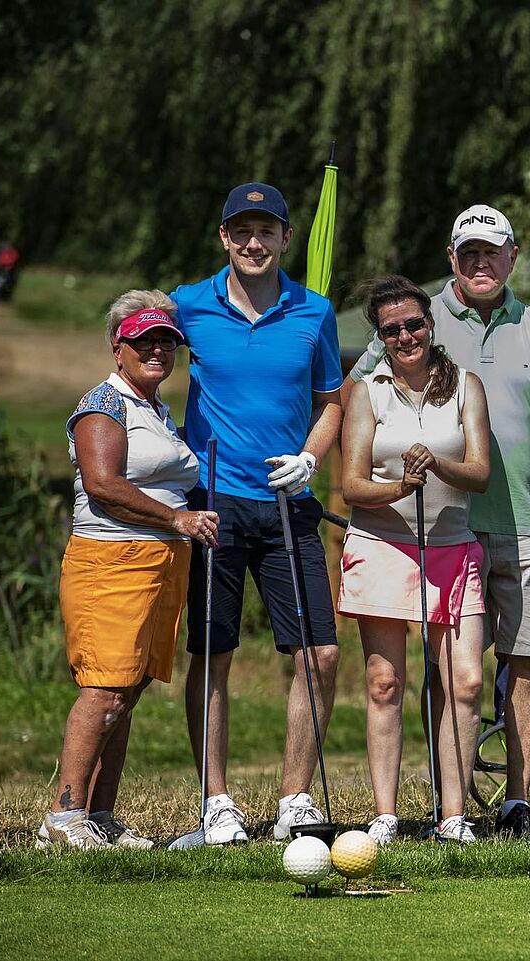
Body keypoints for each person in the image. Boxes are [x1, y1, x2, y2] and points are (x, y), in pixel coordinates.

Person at [347, 204, 530, 842]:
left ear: (512, 256)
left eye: (491, 251)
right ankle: (447, 803)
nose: (480, 262)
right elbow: (355, 394)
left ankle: (517, 802)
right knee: (450, 675)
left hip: (525, 520)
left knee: (529, 661)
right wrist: (313, 454)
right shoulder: (418, 317)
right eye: (468, 252)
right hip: (444, 529)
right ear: (452, 258)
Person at [171, 182, 344, 844]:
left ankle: (295, 798)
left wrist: (311, 458)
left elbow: (330, 402)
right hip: (212, 502)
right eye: (241, 230)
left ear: (285, 238)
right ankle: (216, 802)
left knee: (320, 653)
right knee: (213, 653)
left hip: (287, 502)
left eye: (265, 230)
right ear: (224, 237)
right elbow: (137, 348)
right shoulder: (188, 304)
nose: (253, 242)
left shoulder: (315, 311)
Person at [39, 291, 219, 849]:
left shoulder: (155, 409)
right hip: (112, 562)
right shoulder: (104, 404)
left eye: (167, 341)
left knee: (128, 691)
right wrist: (177, 518)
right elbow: (103, 484)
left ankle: (100, 816)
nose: (157, 350)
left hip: (160, 562)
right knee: (104, 689)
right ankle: (63, 817)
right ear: (118, 349)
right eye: (144, 341)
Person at [338, 275, 492, 845]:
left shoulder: (465, 386)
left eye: (413, 324)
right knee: (385, 682)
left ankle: (452, 815)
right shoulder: (367, 392)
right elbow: (353, 485)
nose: (405, 336)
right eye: (391, 330)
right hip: (381, 546)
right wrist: (401, 487)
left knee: (466, 682)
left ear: (430, 323)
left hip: (453, 549)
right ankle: (386, 814)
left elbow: (479, 472)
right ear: (380, 337)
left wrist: (438, 465)